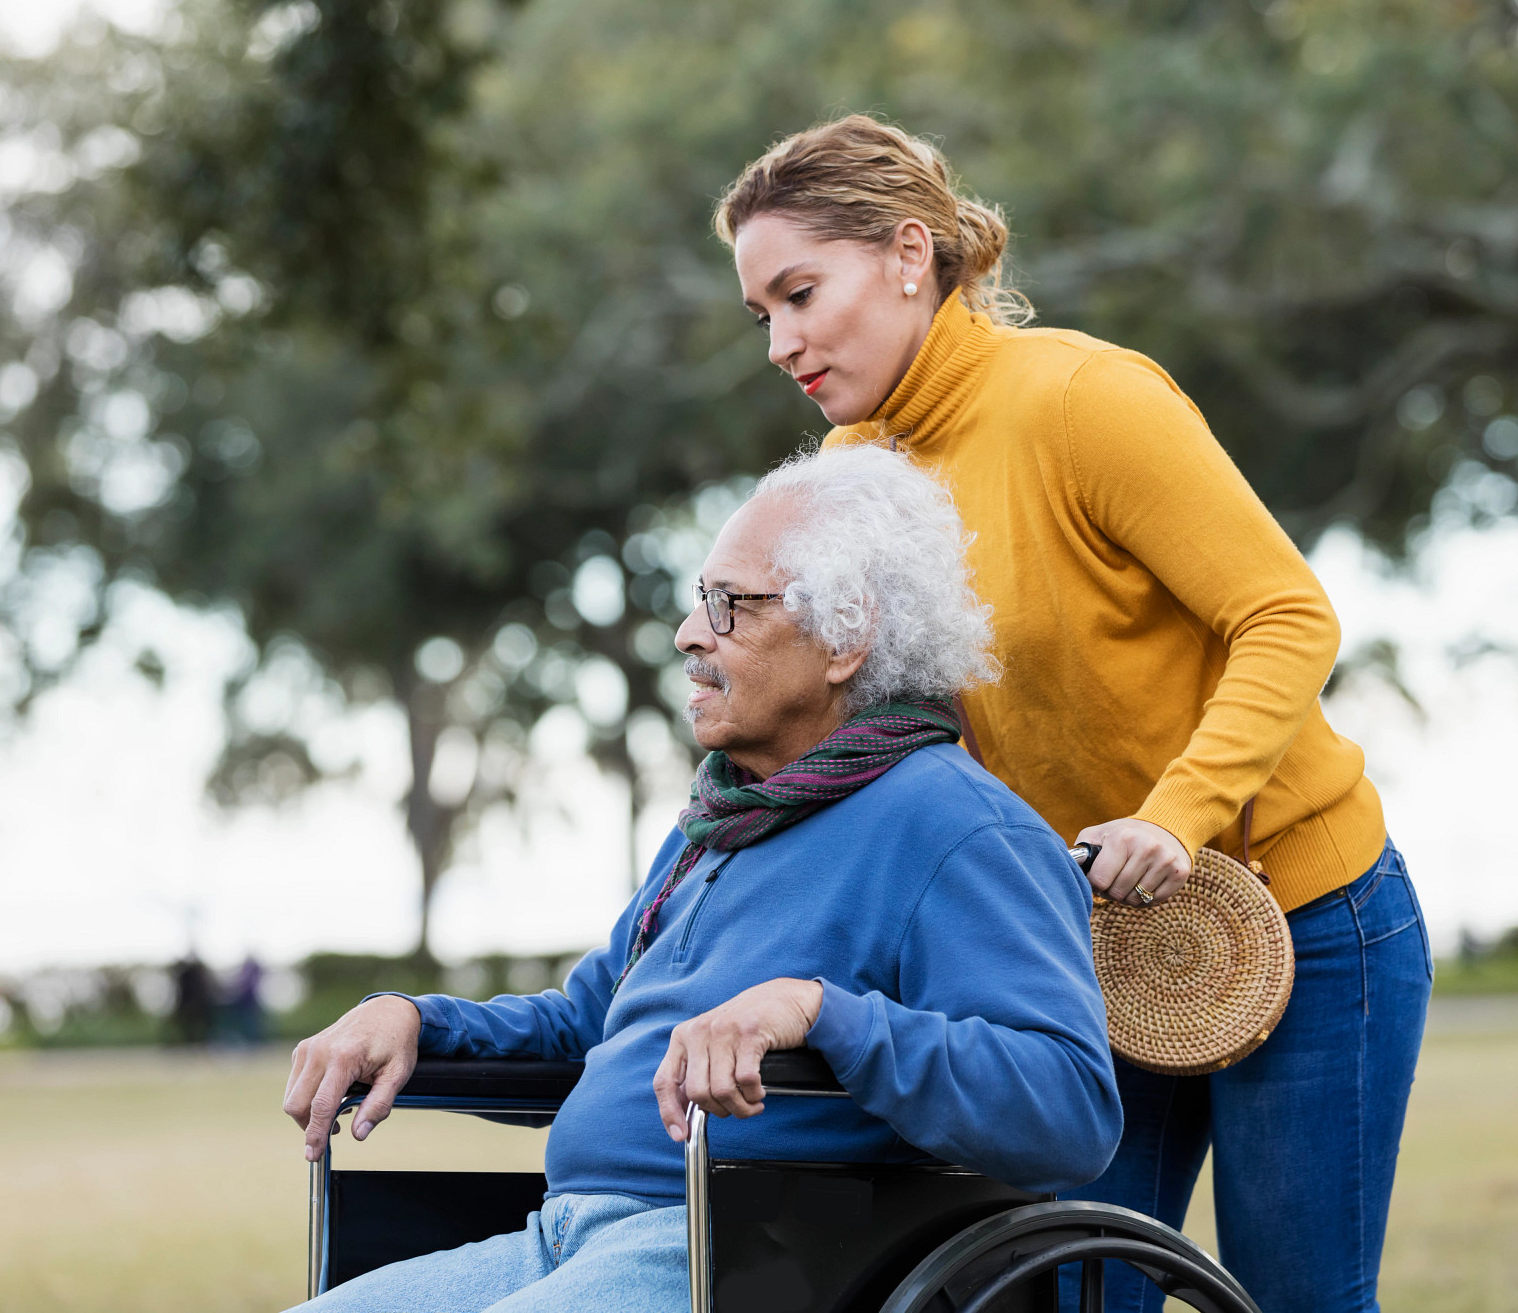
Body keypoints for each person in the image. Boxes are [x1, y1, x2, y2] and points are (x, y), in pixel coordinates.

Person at [714, 115, 1434, 1313]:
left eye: (799, 293)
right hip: (1082, 950)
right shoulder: (847, 476)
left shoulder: (1084, 399)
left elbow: (1285, 616)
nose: (781, 342)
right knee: (1070, 1295)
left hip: (1308, 922)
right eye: (761, 316)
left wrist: (1176, 814)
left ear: (906, 254)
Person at [278, 444, 1122, 1313]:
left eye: (730, 606)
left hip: (747, 1253)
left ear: (845, 635)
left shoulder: (958, 827)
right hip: (562, 1236)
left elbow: (1068, 1106)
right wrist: (416, 1020)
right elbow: (587, 1027)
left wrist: (819, 1010)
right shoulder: (721, 821)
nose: (689, 634)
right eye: (698, 602)